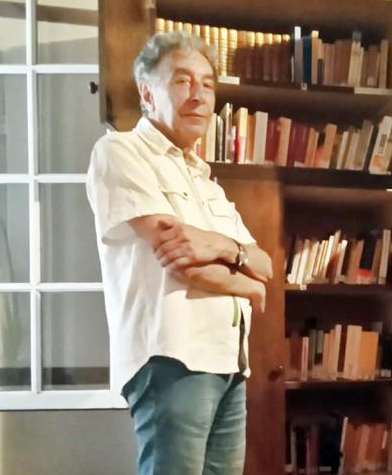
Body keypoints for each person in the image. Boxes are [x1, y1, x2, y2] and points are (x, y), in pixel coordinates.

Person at [86, 31, 272, 475]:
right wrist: (246, 283)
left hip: (229, 362)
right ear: (147, 93)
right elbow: (183, 262)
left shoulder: (204, 179)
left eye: (207, 84)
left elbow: (263, 262)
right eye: (183, 81)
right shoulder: (121, 151)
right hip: (173, 357)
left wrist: (222, 246)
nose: (199, 96)